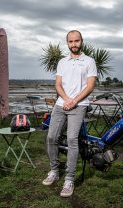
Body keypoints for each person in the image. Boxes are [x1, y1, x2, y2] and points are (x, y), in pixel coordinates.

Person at [42, 30, 97, 197]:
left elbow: (90, 86)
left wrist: (74, 101)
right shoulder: (62, 62)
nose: (74, 44)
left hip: (79, 105)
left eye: (77, 41)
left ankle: (69, 179)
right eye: (71, 41)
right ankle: (54, 171)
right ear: (67, 43)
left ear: (82, 41)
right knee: (51, 137)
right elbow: (58, 84)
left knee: (72, 139)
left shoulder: (89, 61)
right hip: (61, 104)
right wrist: (66, 99)